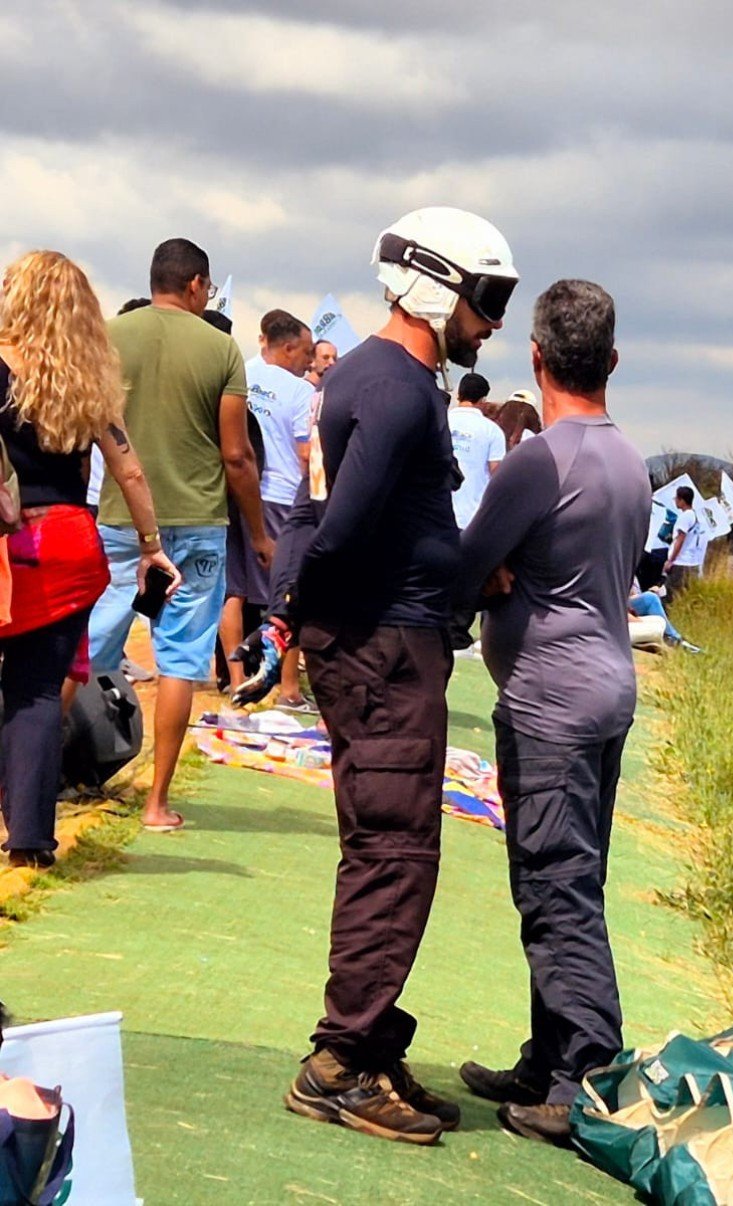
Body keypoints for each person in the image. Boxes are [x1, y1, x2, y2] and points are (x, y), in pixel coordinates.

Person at [282, 206, 519, 1145]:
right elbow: (342, 529)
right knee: (392, 850)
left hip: (385, 635)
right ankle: (339, 1062)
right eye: (488, 298)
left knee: (395, 845)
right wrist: (309, 616)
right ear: (436, 283)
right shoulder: (393, 390)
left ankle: (371, 1041)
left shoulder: (393, 380)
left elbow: (364, 517)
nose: (493, 321)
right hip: (382, 644)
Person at [453, 280, 650, 1146]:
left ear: (536, 359)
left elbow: (468, 563)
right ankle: (548, 1056)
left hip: (551, 703)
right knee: (573, 875)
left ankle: (584, 1075)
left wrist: (494, 580)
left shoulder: (541, 460)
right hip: (605, 689)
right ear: (610, 361)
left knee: (553, 887)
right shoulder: (630, 460)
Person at [0, 251, 181, 866]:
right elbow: (128, 470)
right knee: (37, 694)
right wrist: (153, 549)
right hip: (74, 545)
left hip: (11, 546)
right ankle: (29, 840)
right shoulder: (88, 381)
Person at [88, 237, 269, 834]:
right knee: (180, 662)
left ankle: (42, 778)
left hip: (119, 515)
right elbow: (237, 456)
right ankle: (156, 802)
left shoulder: (112, 339)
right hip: (196, 523)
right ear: (196, 285)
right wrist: (260, 532)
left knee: (86, 649)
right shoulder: (222, 348)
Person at [224, 309, 314, 703]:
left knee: (234, 591)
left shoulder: (240, 372)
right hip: (280, 496)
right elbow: (305, 453)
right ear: (289, 346)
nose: (309, 361)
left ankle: (233, 676)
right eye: (307, 352)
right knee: (289, 594)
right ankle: (289, 689)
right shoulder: (300, 391)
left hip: (235, 492)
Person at [447, 372, 504, 531]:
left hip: (439, 515)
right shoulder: (491, 430)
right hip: (473, 519)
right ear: (483, 400)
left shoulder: (442, 421)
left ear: (459, 394)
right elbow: (497, 475)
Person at [663, 486, 706, 600]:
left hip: (681, 562)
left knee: (672, 595)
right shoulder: (695, 515)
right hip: (691, 561)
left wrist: (671, 560)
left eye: (676, 498)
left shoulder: (685, 517)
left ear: (682, 500)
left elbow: (680, 539)